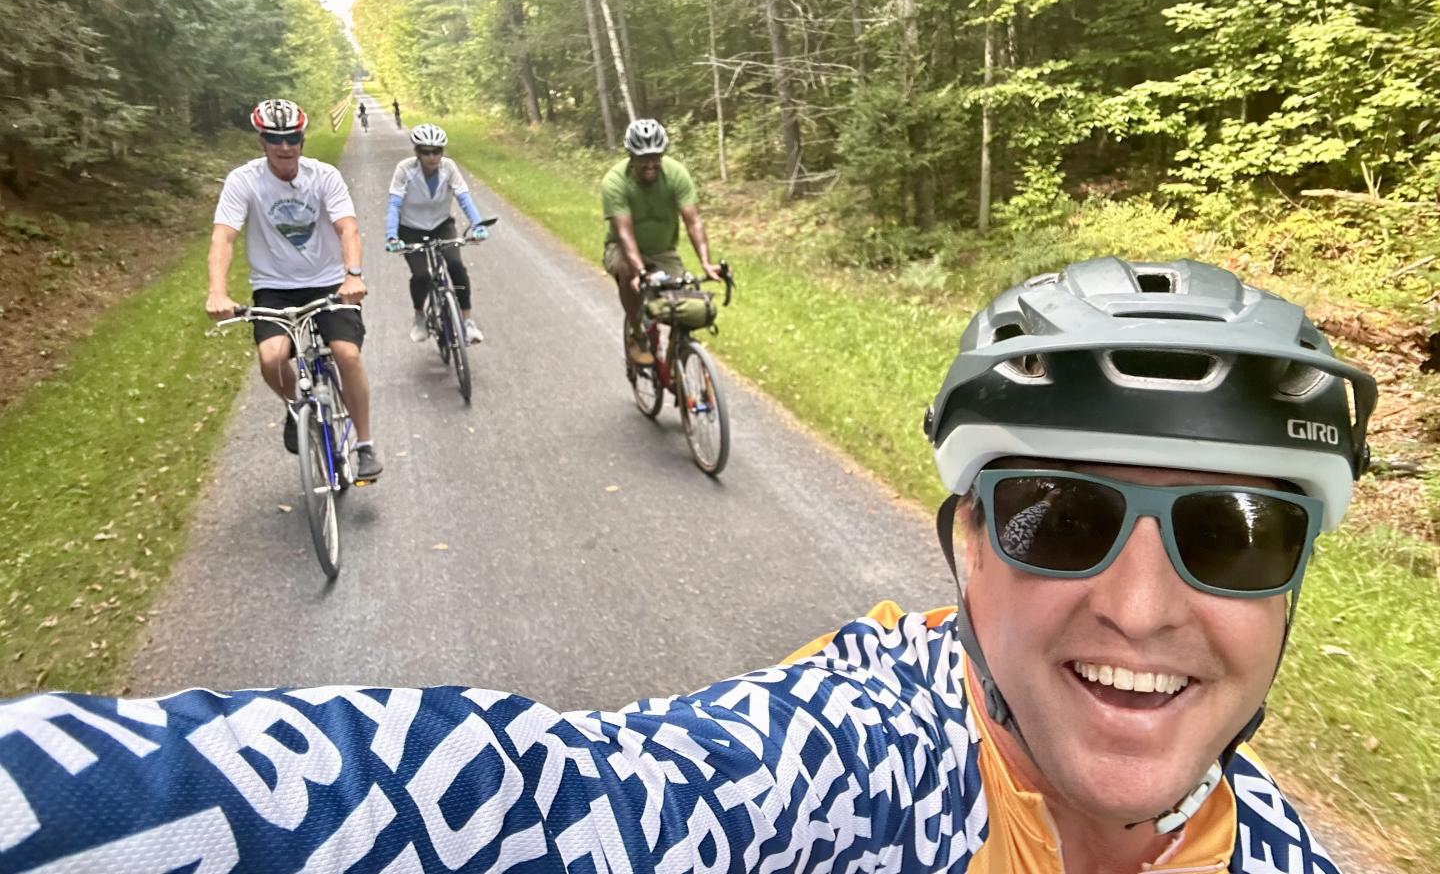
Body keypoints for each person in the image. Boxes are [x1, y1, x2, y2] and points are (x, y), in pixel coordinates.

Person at [0, 258, 1371, 871]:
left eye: (1233, 534)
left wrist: (701, 260)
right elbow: (534, 803)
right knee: (630, 311)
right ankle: (641, 371)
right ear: (966, 545)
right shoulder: (850, 769)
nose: (1140, 604)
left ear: (1298, 575)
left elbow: (692, 220)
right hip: (614, 255)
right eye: (1059, 517)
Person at [204, 98, 383, 482]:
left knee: (346, 354)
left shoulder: (324, 177)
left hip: (330, 283)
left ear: (302, 139)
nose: (284, 146)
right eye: (274, 138)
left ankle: (365, 444)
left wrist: (353, 275)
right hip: (275, 288)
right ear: (262, 141)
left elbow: (347, 228)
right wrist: (217, 290)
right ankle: (294, 408)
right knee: (271, 359)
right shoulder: (244, 181)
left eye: (292, 137)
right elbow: (224, 237)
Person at [603, 117, 720, 365]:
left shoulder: (676, 174)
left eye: (655, 156)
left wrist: (706, 263)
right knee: (627, 271)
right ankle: (637, 332)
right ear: (631, 156)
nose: (650, 163)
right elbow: (625, 234)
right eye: (643, 157)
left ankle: (677, 360)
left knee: (682, 302)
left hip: (663, 252)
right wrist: (640, 272)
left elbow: (694, 222)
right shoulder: (614, 182)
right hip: (621, 249)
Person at [384, 124, 489, 344]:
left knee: (456, 266)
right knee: (421, 275)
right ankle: (419, 316)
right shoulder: (404, 169)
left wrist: (478, 225)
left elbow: (463, 197)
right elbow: (394, 203)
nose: (432, 157)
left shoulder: (449, 168)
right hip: (411, 228)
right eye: (426, 152)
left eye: (437, 151)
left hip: (441, 224)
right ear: (417, 152)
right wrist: (392, 236)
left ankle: (468, 321)